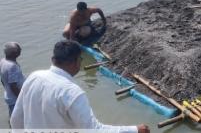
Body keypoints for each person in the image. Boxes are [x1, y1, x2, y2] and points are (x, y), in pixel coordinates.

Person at [10, 40, 150, 132]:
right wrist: (135, 129)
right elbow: (94, 130)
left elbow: (16, 119)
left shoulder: (34, 77)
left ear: (53, 59)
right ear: (76, 62)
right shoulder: (72, 92)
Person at [0, 42, 25, 118]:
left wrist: (7, 89)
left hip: (9, 96)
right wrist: (21, 98)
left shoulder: (3, 61)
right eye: (18, 49)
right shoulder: (12, 66)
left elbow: (2, 79)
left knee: (13, 116)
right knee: (18, 119)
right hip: (15, 99)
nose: (20, 50)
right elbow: (13, 85)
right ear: (13, 53)